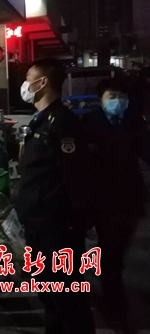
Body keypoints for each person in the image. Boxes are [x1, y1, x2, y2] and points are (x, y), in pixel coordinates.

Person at [17, 58, 95, 333]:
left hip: (57, 225)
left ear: (43, 82)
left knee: (66, 294)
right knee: (47, 289)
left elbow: (75, 176)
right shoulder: (41, 120)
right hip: (38, 221)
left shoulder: (63, 122)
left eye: (29, 77)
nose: (25, 84)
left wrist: (76, 221)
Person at [82, 78, 149, 330]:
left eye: (122, 96)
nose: (118, 101)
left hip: (130, 199)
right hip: (103, 200)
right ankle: (115, 306)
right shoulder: (90, 123)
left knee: (118, 252)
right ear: (101, 100)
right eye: (112, 96)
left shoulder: (133, 121)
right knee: (111, 255)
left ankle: (115, 300)